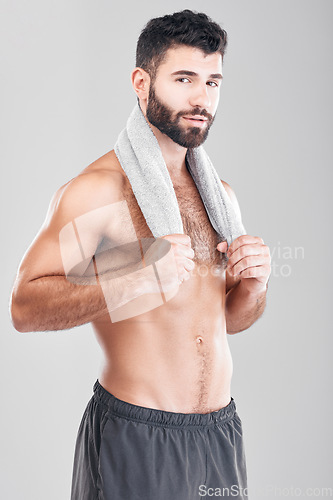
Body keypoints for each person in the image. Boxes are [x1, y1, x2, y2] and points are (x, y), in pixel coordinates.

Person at [10, 9, 271, 500]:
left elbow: (227, 320)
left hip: (219, 436)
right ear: (141, 82)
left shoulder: (222, 197)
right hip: (136, 436)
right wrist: (131, 276)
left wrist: (254, 287)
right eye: (184, 78)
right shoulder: (97, 193)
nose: (202, 99)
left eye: (213, 81)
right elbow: (24, 307)